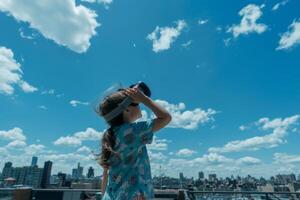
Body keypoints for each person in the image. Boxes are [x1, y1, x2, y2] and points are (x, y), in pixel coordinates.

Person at [97, 86, 172, 199]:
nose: (140, 106)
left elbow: (106, 173)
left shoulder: (109, 134)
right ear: (127, 109)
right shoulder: (132, 131)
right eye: (137, 104)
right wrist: (144, 99)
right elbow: (166, 118)